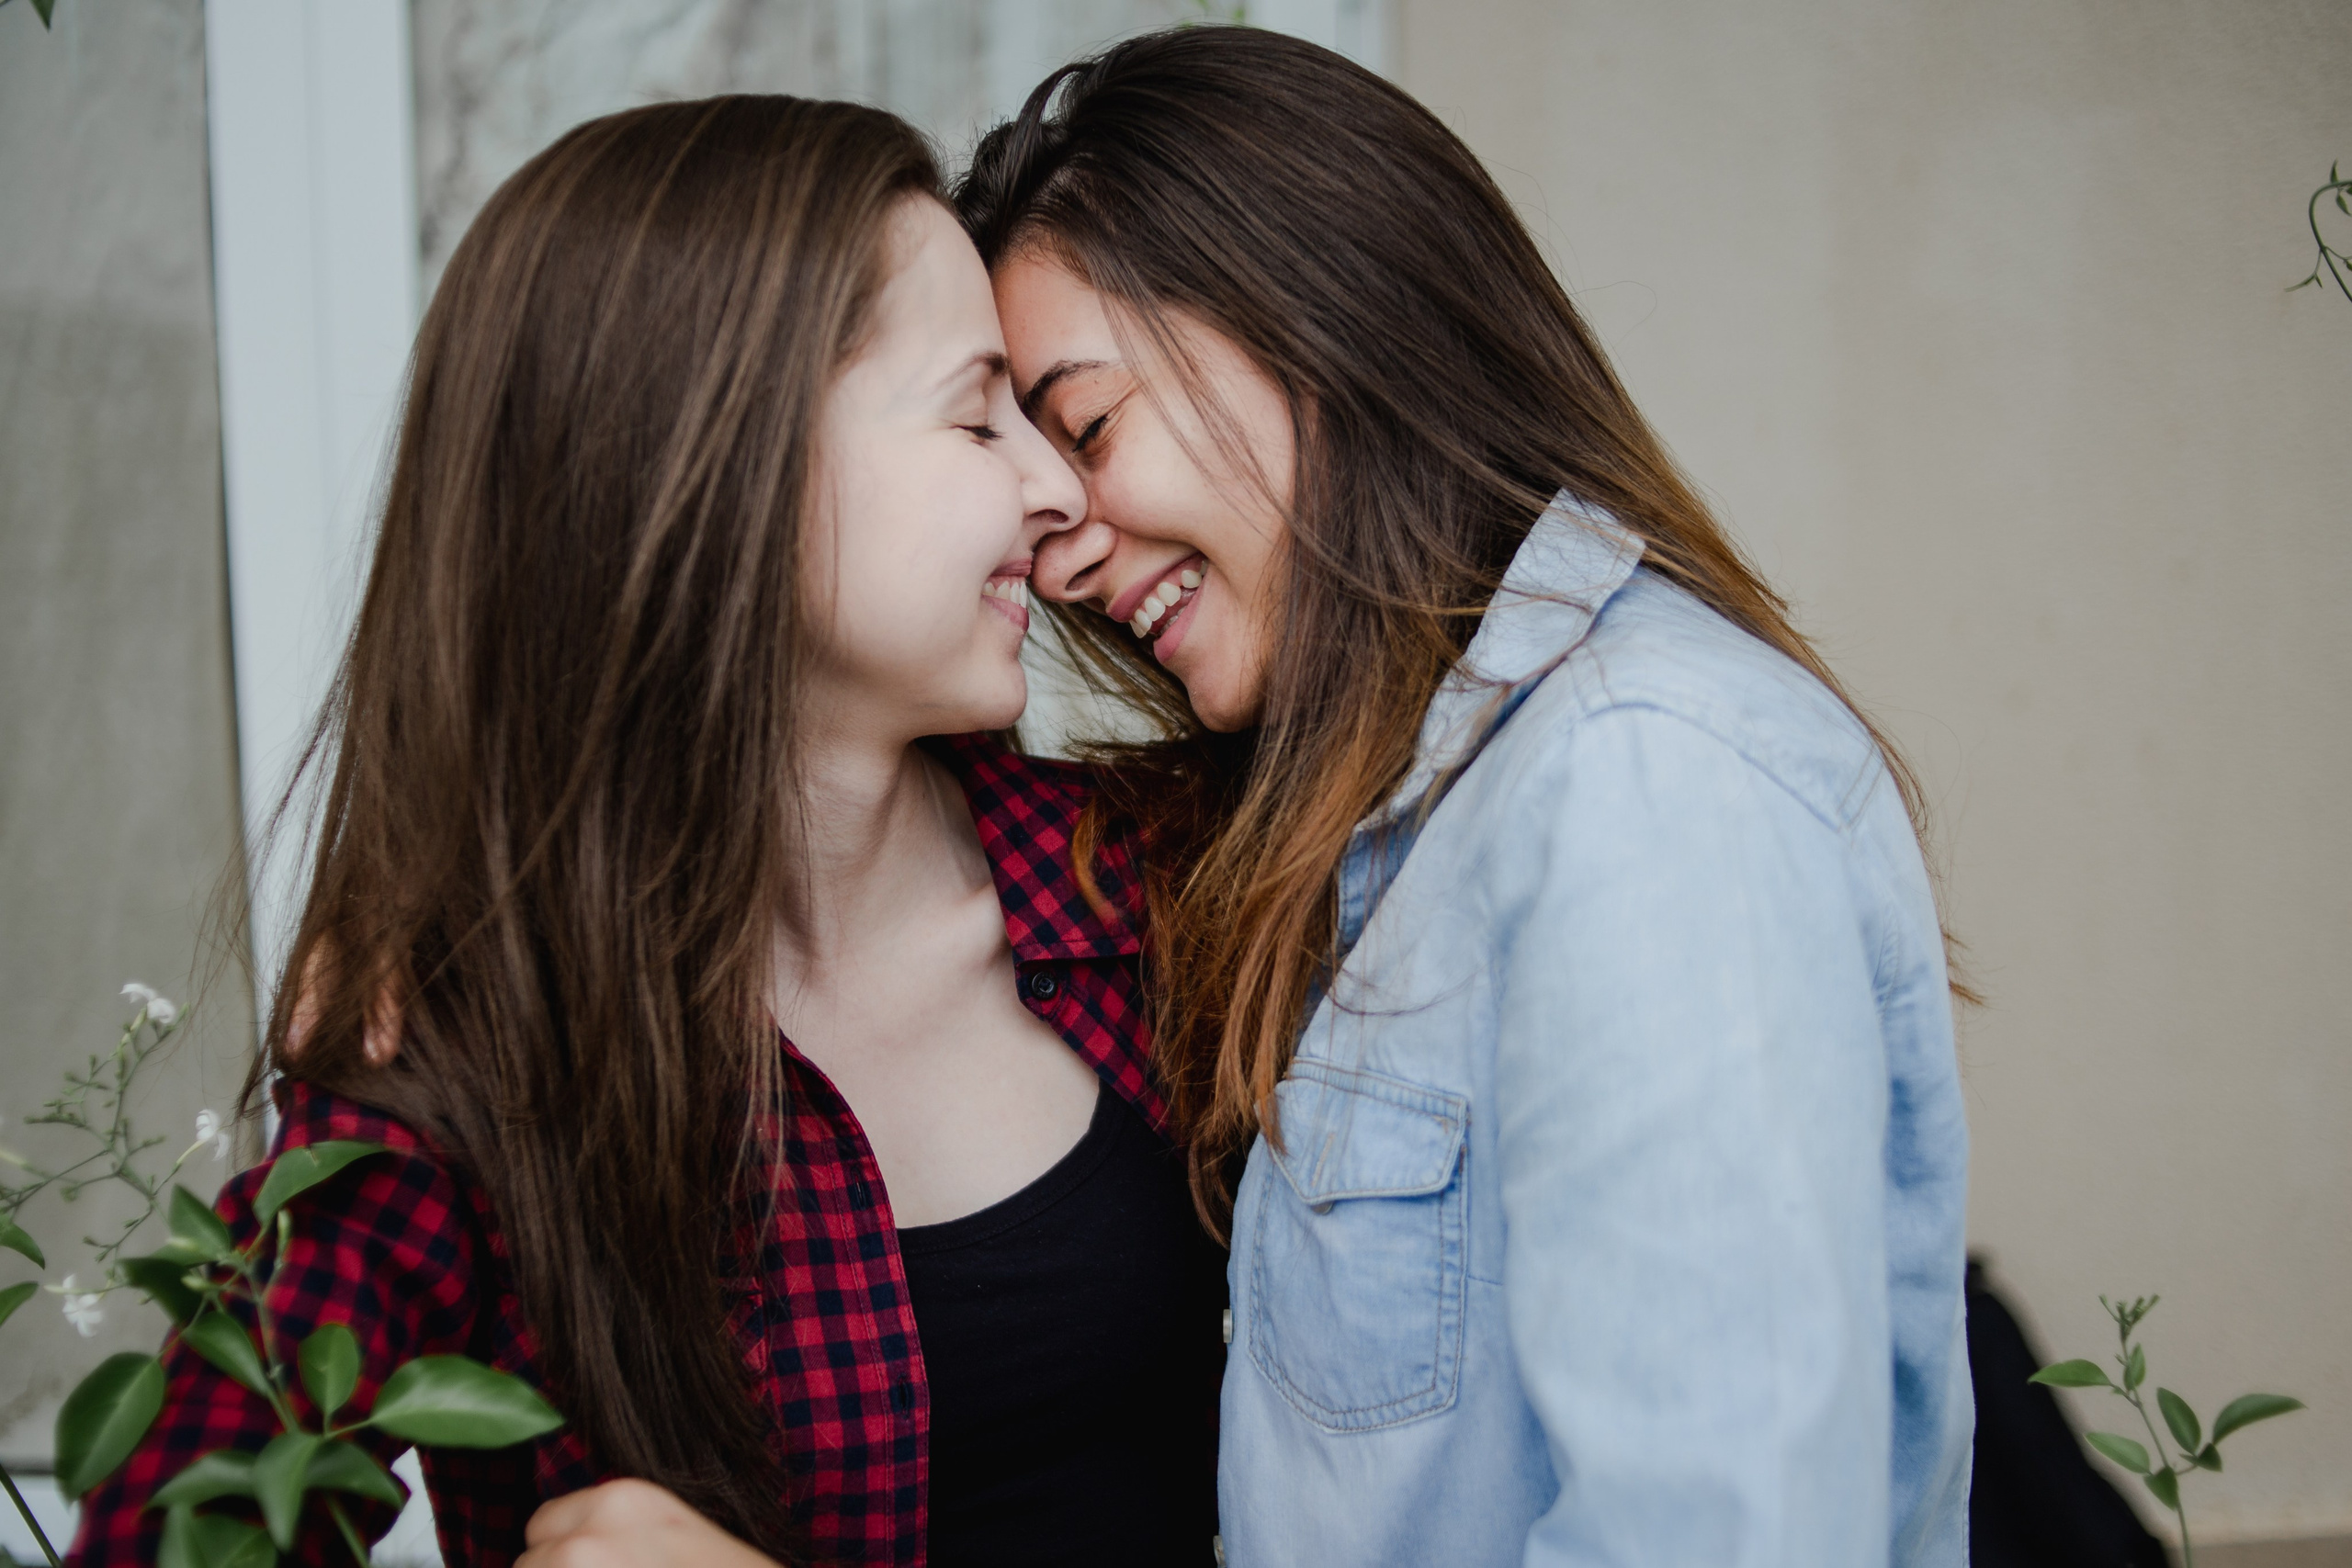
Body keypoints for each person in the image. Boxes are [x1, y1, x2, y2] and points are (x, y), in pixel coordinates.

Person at [70, 96, 1224, 1568]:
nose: (1058, 488)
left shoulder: (1158, 889)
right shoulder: (464, 1070)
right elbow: (177, 1538)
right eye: (973, 410)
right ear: (724, 465)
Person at [957, 26, 1973, 1567]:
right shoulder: (1385, 823)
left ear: (1315, 310)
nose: (1062, 550)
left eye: (1087, 428)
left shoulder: (1644, 780)